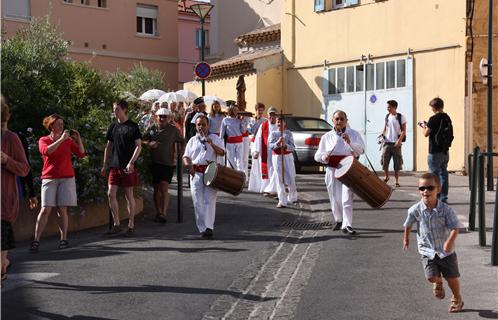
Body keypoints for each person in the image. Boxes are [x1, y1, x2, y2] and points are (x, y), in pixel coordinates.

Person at [403, 172, 464, 313]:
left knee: (452, 277)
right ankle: (437, 282)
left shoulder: (446, 210)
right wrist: (406, 238)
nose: (426, 191)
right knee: (430, 277)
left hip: (446, 252)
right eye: (422, 188)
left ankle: (457, 298)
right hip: (427, 250)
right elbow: (408, 224)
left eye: (430, 188)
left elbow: (456, 228)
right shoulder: (415, 210)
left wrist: (449, 241)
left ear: (438, 189)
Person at [29, 114, 86, 252]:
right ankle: (36, 241)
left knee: (62, 209)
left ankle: (63, 239)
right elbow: (47, 151)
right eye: (58, 124)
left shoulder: (67, 141)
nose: (61, 126)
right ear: (51, 126)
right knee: (45, 209)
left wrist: (78, 139)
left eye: (62, 124)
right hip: (49, 178)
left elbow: (81, 154)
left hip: (66, 178)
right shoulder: (44, 140)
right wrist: (61, 139)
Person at [314, 110, 364, 235]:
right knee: (335, 197)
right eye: (337, 119)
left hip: (348, 170)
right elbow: (317, 156)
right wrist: (324, 157)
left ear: (346, 120)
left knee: (347, 197)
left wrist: (350, 142)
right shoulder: (327, 137)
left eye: (342, 119)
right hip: (332, 169)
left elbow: (361, 150)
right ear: (333, 121)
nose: (339, 122)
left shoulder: (353, 134)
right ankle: (338, 219)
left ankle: (347, 224)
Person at [101, 100, 142, 237]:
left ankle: (131, 225)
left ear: (125, 110)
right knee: (110, 193)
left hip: (127, 166)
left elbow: (139, 146)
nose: (115, 111)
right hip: (114, 165)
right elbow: (108, 146)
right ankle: (117, 224)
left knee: (128, 195)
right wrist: (104, 164)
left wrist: (131, 162)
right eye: (114, 109)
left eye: (117, 109)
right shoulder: (113, 126)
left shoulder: (133, 126)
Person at [1, 97, 30, 281]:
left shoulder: (11, 138)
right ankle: (4, 265)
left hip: (3, 206)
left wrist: (7, 161)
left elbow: (24, 168)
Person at [183, 115, 225, 239]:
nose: (201, 127)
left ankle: (209, 227)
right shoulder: (192, 140)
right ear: (196, 126)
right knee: (197, 202)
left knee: (209, 200)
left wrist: (211, 144)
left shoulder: (215, 138)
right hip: (196, 173)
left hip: (211, 172)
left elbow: (222, 152)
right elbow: (186, 156)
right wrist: (188, 166)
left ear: (208, 125)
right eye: (198, 124)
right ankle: (202, 227)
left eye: (203, 124)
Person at [143, 108, 184, 223]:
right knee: (156, 189)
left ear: (169, 118)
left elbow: (182, 140)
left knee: (164, 186)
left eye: (165, 116)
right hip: (154, 162)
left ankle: (163, 213)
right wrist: (149, 143)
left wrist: (181, 152)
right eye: (160, 116)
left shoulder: (173, 130)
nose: (162, 118)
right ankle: (158, 212)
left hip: (167, 163)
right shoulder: (152, 128)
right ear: (156, 117)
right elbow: (141, 140)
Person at [418, 97, 453, 203]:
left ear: (433, 107)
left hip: (434, 152)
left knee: (433, 176)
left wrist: (423, 126)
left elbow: (426, 133)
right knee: (444, 174)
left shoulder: (433, 119)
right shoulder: (447, 117)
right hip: (445, 151)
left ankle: (435, 197)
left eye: (431, 107)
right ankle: (443, 197)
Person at [268, 117, 298, 208]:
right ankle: (282, 200)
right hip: (277, 157)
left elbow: (293, 147)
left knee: (291, 177)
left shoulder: (288, 133)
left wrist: (285, 145)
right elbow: (270, 146)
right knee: (279, 178)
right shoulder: (273, 133)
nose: (279, 123)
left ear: (285, 123)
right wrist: (277, 143)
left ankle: (292, 197)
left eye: (281, 122)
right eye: (278, 122)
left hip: (287, 157)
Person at [249, 107, 279, 195]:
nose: (272, 117)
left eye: (274, 115)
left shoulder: (279, 125)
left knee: (275, 170)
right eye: (270, 114)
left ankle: (275, 189)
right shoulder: (264, 125)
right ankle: (266, 188)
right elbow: (258, 139)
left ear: (276, 116)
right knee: (266, 170)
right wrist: (255, 151)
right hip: (265, 152)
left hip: (276, 153)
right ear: (268, 115)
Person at [380, 100, 406, 187]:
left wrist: (399, 141)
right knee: (384, 160)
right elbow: (385, 128)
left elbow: (404, 131)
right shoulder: (387, 116)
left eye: (389, 107)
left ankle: (397, 180)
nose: (387, 108)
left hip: (396, 144)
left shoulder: (400, 117)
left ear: (394, 107)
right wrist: (382, 136)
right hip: (387, 143)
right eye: (387, 107)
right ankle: (386, 176)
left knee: (397, 162)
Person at [219, 105, 245, 172]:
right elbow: (222, 133)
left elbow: (243, 131)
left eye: (237, 110)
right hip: (230, 142)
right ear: (231, 110)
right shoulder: (225, 120)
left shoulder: (239, 119)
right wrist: (220, 144)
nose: (237, 111)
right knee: (230, 160)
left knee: (240, 160)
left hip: (239, 142)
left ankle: (240, 175)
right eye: (235, 110)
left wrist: (242, 121)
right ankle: (231, 175)